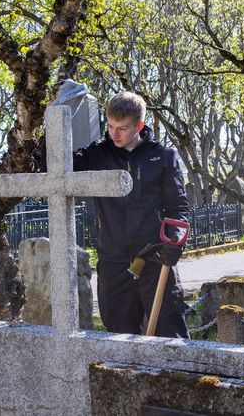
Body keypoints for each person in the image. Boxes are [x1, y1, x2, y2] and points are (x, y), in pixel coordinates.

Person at [38, 90, 190, 338]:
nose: (114, 134)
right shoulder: (97, 154)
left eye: (123, 128)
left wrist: (174, 242)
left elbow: (178, 207)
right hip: (114, 263)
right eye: (110, 126)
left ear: (139, 125)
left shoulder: (163, 157)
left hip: (155, 260)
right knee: (118, 340)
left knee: (170, 335)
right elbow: (51, 165)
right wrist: (51, 116)